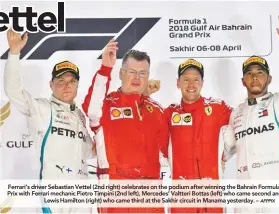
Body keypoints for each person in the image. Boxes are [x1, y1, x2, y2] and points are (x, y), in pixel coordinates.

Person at [221, 12, 279, 213]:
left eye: (260, 73)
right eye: (249, 74)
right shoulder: (236, 113)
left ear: (269, 79)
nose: (254, 78)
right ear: (243, 81)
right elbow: (223, 151)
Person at [4, 29, 95, 213]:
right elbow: (13, 91)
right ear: (51, 84)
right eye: (61, 80)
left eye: (72, 81)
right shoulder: (43, 109)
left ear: (78, 86)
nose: (66, 85)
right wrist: (14, 54)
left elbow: (89, 153)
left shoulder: (80, 116)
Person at [82, 40, 167, 213]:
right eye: (132, 72)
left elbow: (169, 150)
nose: (137, 78)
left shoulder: (157, 110)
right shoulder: (107, 105)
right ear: (121, 73)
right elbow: (90, 108)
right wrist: (105, 68)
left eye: (143, 73)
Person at [148, 59, 232, 213]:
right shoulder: (169, 113)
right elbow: (145, 124)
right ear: (178, 83)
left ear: (202, 83)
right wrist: (145, 94)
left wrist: (224, 156)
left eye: (196, 79)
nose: (191, 84)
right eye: (186, 79)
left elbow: (241, 125)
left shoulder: (218, 108)